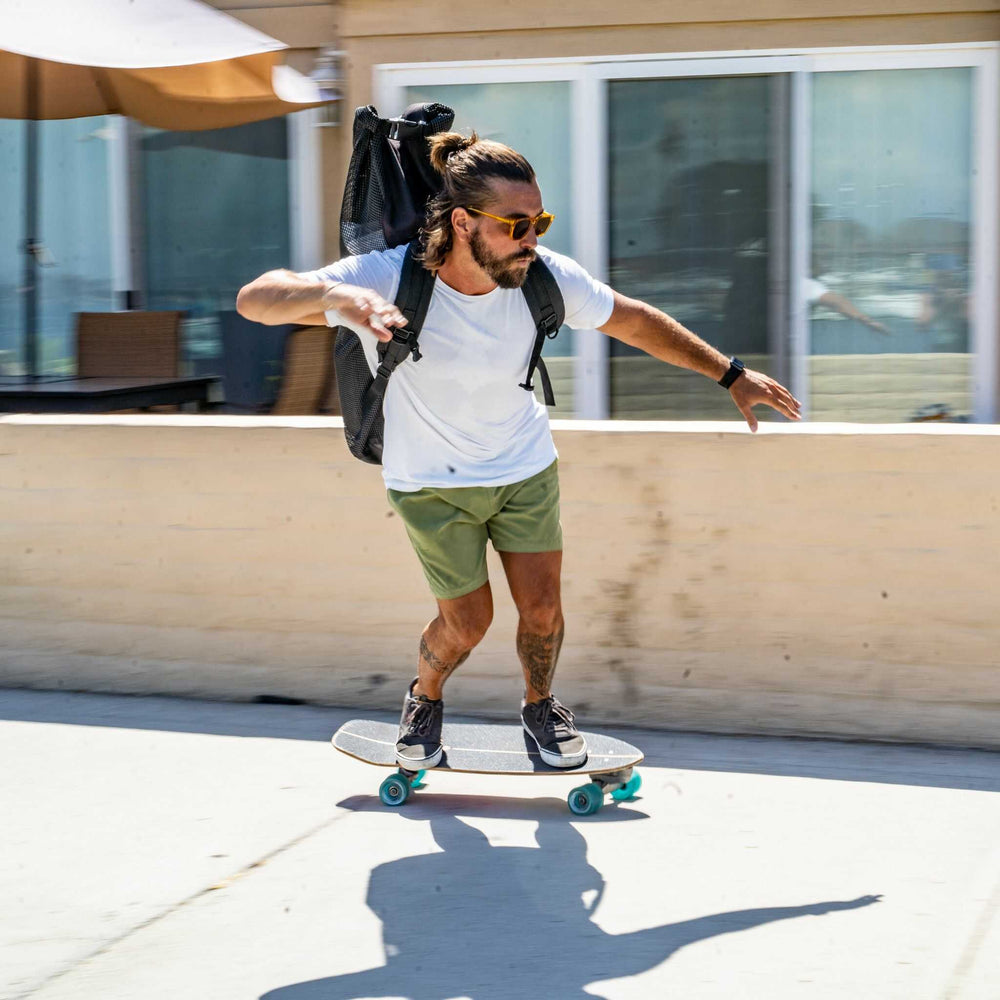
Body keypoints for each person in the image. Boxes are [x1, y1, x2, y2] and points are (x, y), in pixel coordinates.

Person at [236, 133, 802, 772]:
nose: (531, 237)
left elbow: (636, 321)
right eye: (516, 224)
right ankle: (424, 699)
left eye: (540, 222)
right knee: (467, 622)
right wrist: (335, 300)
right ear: (462, 222)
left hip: (523, 466)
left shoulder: (545, 278)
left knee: (543, 609)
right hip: (429, 481)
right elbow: (255, 298)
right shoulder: (386, 277)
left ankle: (541, 707)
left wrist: (730, 375)